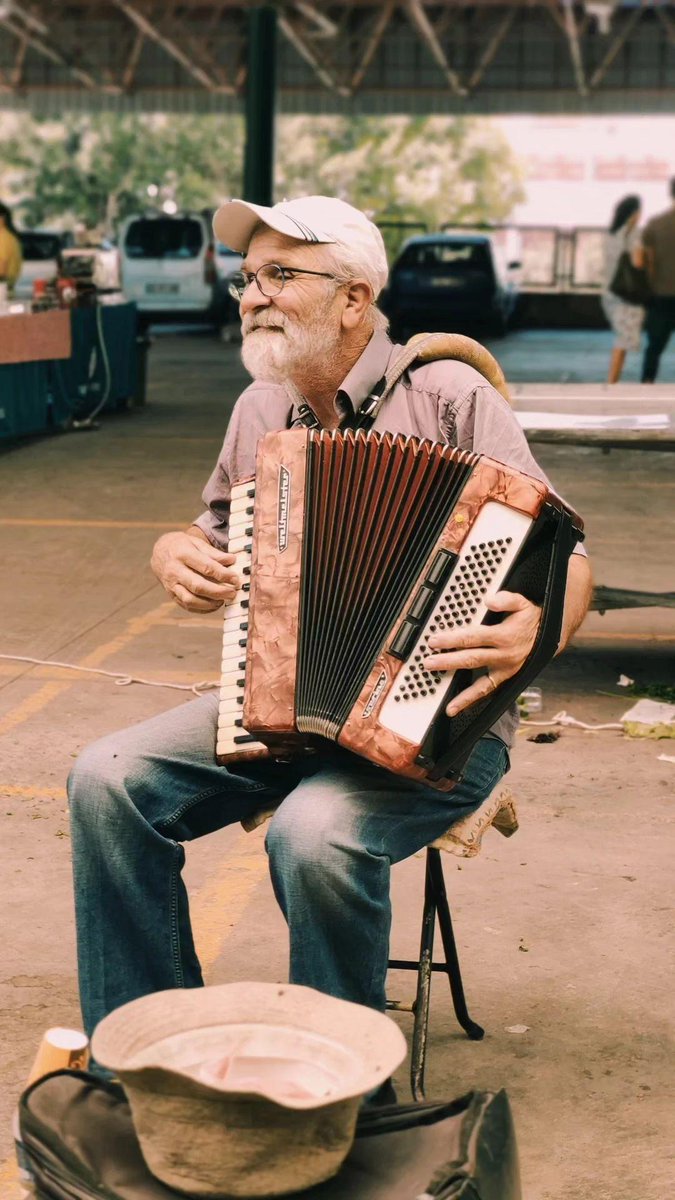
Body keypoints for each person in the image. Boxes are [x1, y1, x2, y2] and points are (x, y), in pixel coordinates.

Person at [67, 196, 593, 1052]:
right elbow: (214, 533)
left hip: (439, 727)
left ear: (355, 297)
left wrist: (536, 630)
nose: (251, 295)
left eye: (280, 275)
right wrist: (173, 550)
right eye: (246, 277)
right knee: (106, 779)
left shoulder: (449, 394)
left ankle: (344, 1083)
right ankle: (146, 1041)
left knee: (311, 834)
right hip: (278, 710)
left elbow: (567, 555)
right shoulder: (257, 411)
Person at [600, 195, 645, 384]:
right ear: (634, 213)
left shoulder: (610, 234)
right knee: (624, 339)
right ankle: (612, 380)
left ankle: (613, 380)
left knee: (623, 337)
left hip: (610, 292)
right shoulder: (633, 234)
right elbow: (638, 262)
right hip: (627, 294)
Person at [638, 177, 675, 383]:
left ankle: (647, 384)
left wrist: (651, 288)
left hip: (661, 295)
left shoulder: (655, 224)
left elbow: (647, 263)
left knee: (654, 348)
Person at [0, 200, 23, 294]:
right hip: (7, 290)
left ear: (2, 218)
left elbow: (2, 269)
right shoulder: (11, 237)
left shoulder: (3, 238)